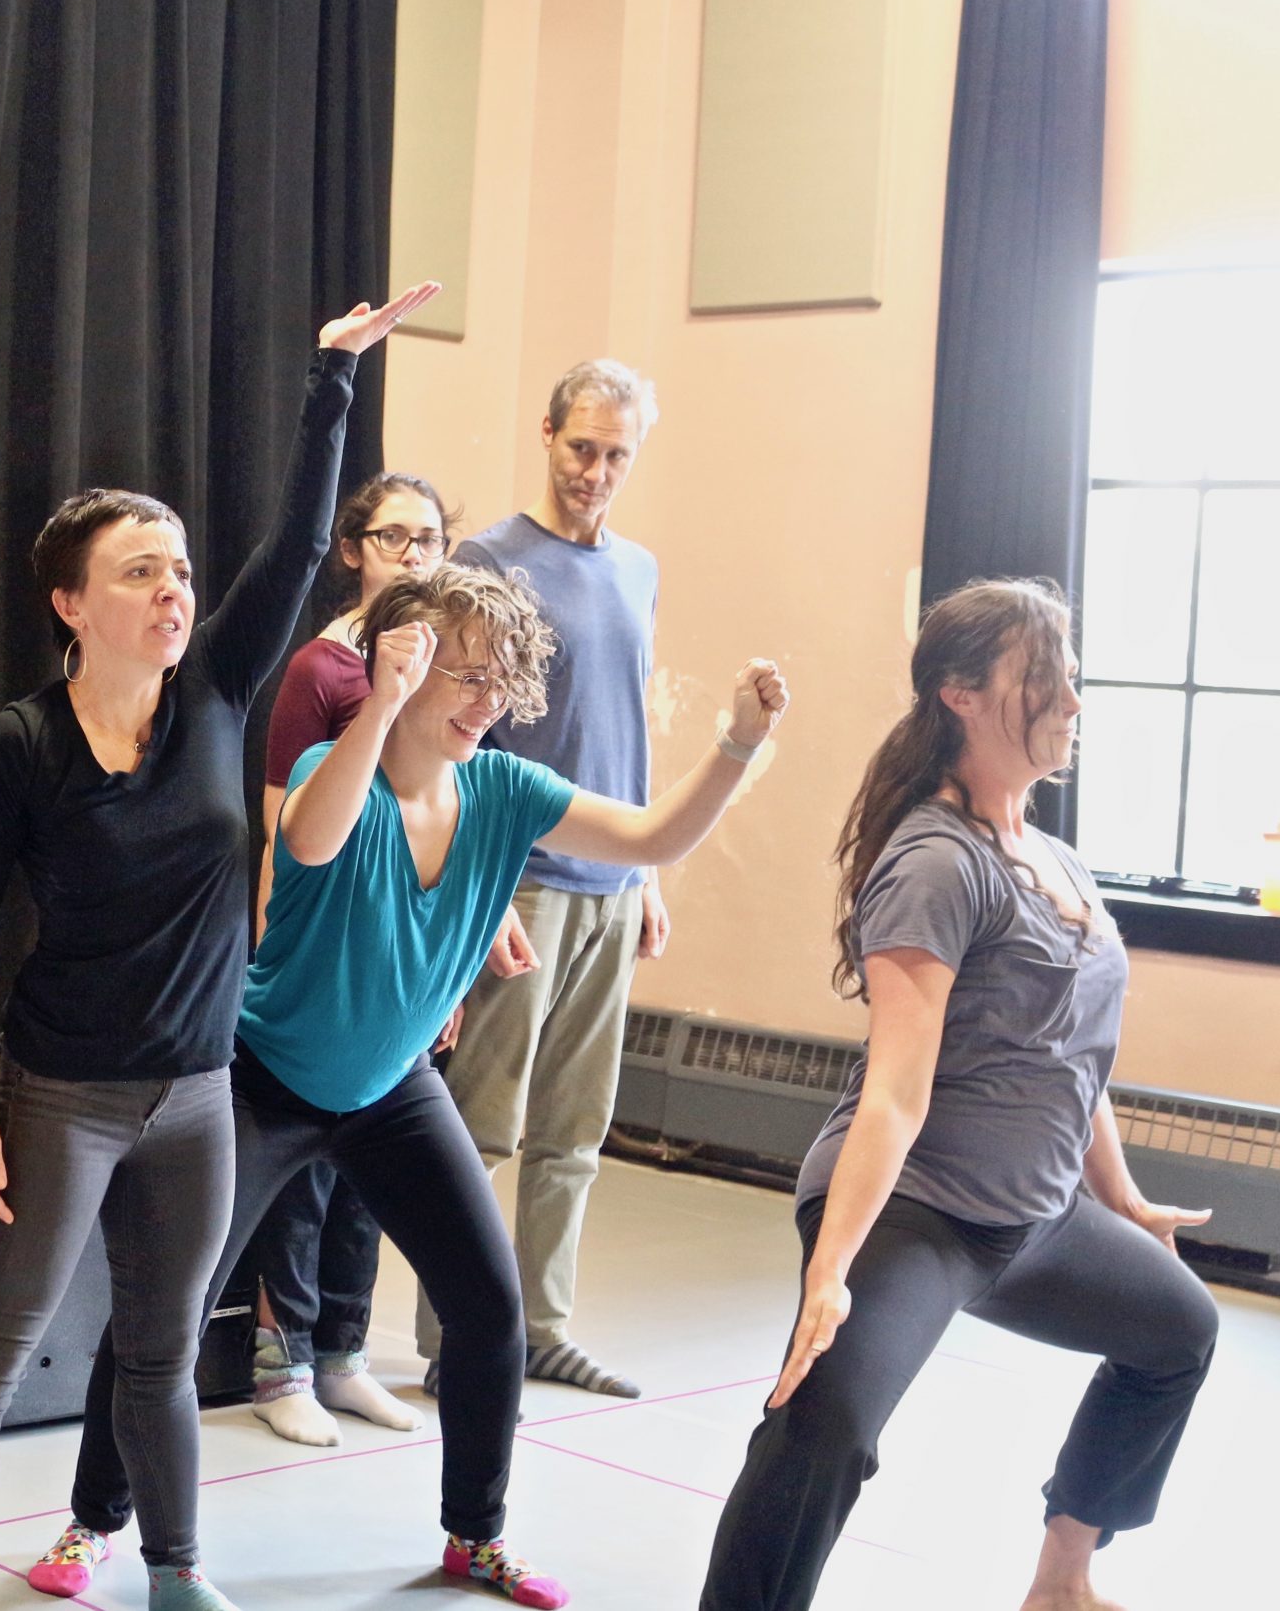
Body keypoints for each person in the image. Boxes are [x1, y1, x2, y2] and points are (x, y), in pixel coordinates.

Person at [50, 563, 791, 1610]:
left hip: (392, 1088)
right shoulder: (327, 764)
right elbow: (310, 836)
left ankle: (474, 1537)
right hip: (263, 1081)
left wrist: (736, 744)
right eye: (461, 675)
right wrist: (384, 704)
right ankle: (92, 1523)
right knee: (159, 1315)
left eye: (501, 681)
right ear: (399, 664)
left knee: (489, 1308)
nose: (484, 702)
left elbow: (646, 841)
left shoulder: (503, 790)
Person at [0, 282, 442, 1611]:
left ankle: (175, 1573)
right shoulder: (17, 744)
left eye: (182, 568)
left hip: (197, 1097)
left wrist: (334, 380)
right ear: (70, 602)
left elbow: (303, 537)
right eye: (142, 569)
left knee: (159, 1357)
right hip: (60, 1096)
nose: (176, 588)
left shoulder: (216, 693)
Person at [698, 578, 1218, 1611]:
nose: (1071, 702)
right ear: (961, 696)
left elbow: (1071, 1055)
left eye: (1069, 680)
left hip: (1034, 1218)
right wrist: (832, 1273)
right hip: (917, 1211)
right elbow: (893, 1090)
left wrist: (1118, 1195)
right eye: (1045, 680)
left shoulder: (1056, 862)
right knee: (826, 1427)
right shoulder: (935, 863)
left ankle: (1062, 1580)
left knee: (1176, 1334)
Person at [417, 358, 666, 1400]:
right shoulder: (490, 559)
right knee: (479, 1125)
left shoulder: (640, 569)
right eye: (580, 449)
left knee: (574, 1129)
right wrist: (471, 891)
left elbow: (629, 724)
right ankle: (455, 1336)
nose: (594, 472)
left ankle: (545, 1324)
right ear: (547, 435)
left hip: (611, 890)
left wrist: (649, 869)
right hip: (518, 884)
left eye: (614, 455)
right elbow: (452, 735)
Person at [238, 472, 458, 1448]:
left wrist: (444, 967)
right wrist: (266, 949)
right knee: (298, 1174)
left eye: (432, 538)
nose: (415, 554)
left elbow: (445, 820)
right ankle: (278, 1365)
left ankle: (344, 1354)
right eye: (395, 536)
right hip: (318, 963)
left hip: (398, 967)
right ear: (353, 549)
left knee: (370, 1176)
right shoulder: (319, 672)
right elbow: (279, 826)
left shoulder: (453, 677)